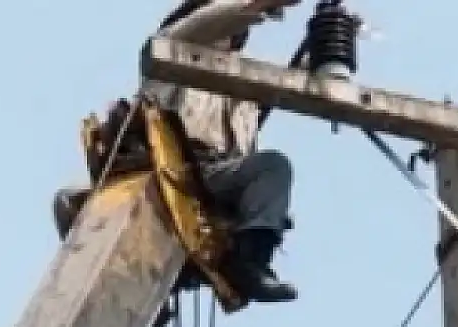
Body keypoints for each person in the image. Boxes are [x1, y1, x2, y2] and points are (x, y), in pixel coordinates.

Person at [54, 0, 301, 303]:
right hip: (170, 168)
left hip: (213, 179)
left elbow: (291, 81)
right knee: (70, 201)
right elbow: (216, 18)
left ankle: (248, 264)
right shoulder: (176, 47)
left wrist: (330, 42)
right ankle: (122, 286)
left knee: (273, 168)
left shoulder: (243, 87)